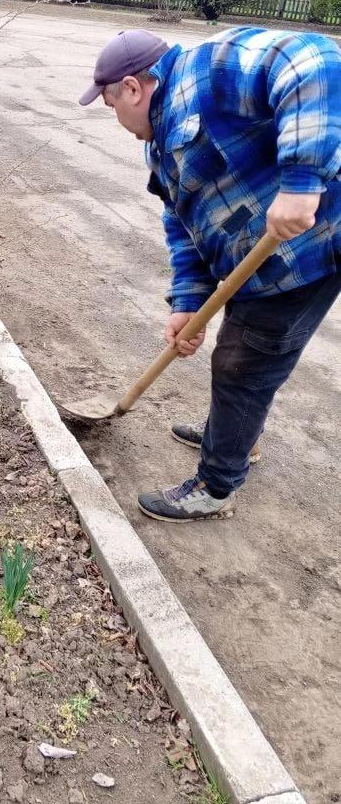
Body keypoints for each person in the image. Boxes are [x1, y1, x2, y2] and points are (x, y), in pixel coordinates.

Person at [78, 26, 341, 522]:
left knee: (243, 363)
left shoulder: (209, 71)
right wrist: (187, 303)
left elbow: (313, 60)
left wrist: (302, 182)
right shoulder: (158, 145)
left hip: (307, 251)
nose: (116, 118)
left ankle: (216, 486)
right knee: (242, 357)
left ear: (132, 88)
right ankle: (238, 434)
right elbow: (183, 227)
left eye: (111, 106)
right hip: (253, 264)